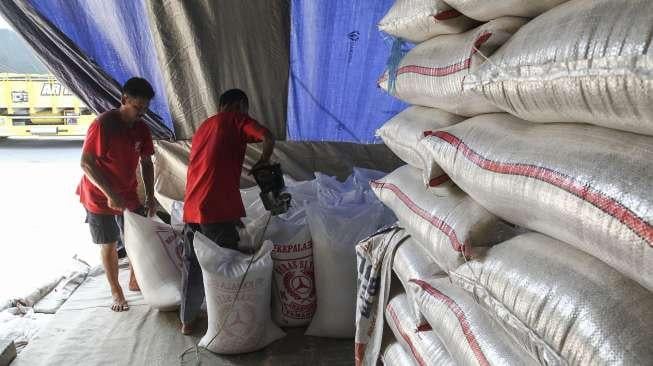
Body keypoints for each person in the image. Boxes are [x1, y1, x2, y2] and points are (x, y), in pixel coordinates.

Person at [180, 89, 275, 334]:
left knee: (193, 265)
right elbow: (267, 136)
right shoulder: (236, 119)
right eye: (246, 109)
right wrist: (264, 160)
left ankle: (187, 321)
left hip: (192, 207)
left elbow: (238, 142)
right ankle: (229, 320)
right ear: (239, 105)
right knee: (226, 264)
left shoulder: (205, 126)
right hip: (217, 209)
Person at [77, 77, 157, 312]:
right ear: (124, 100)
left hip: (128, 192)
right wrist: (109, 193)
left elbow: (147, 162)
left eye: (145, 108)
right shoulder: (104, 124)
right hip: (98, 194)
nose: (142, 112)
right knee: (109, 243)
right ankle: (116, 291)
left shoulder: (142, 129)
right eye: (137, 107)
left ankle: (135, 279)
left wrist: (150, 195)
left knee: (137, 237)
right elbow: (86, 163)